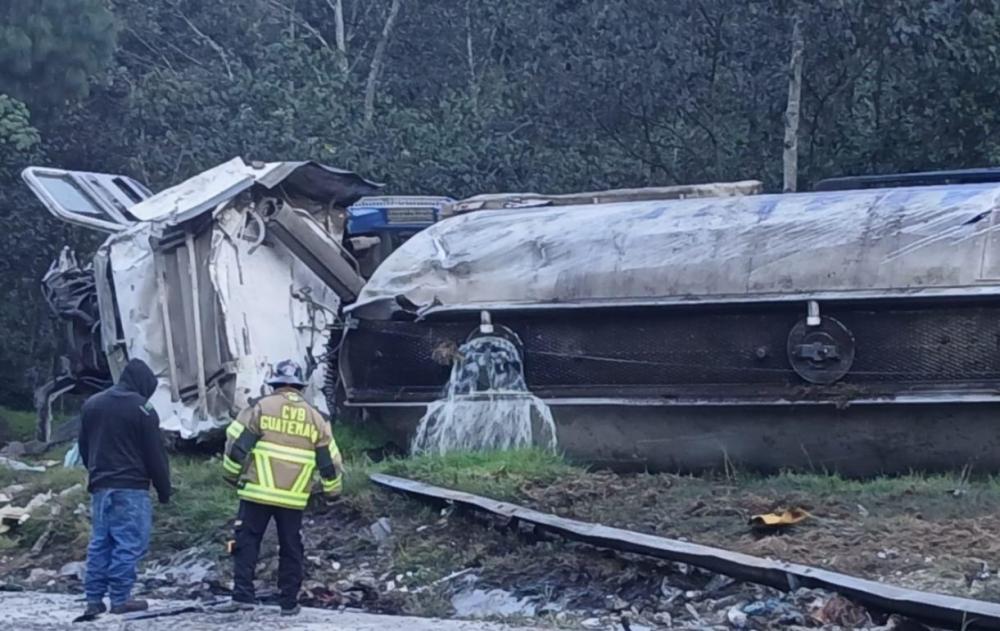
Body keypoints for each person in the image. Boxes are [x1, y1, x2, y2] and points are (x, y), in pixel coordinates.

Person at [220, 359, 343, 616]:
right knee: (291, 547)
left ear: (274, 383)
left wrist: (230, 476)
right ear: (299, 386)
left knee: (247, 542)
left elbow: (237, 447)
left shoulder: (260, 408)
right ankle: (288, 603)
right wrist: (333, 492)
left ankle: (243, 595)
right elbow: (329, 463)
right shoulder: (316, 418)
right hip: (293, 497)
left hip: (257, 491)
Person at [79, 358, 171, 617]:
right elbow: (155, 455)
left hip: (100, 487)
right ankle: (120, 599)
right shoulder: (143, 409)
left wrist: (95, 474)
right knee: (129, 542)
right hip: (131, 488)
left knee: (100, 542)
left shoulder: (92, 404)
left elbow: (85, 448)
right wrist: (164, 489)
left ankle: (93, 600)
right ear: (143, 384)